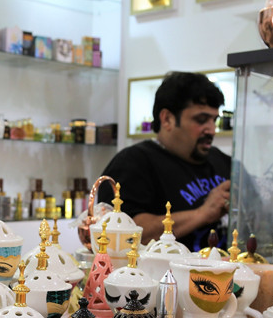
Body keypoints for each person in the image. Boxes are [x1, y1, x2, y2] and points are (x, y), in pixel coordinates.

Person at [98, 71, 231, 251]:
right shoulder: (133, 163)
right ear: (167, 119)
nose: (211, 130)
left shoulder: (222, 161)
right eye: (201, 120)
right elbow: (123, 235)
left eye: (214, 120)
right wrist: (202, 214)